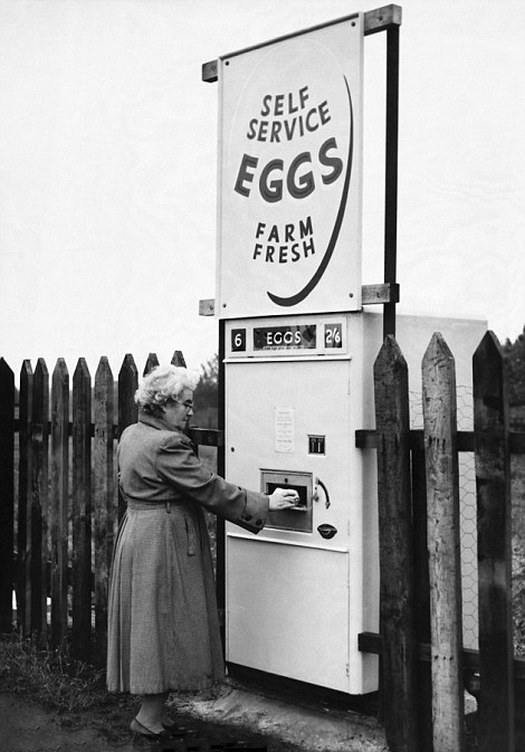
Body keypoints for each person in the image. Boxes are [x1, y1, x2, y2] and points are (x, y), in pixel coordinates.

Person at [106, 364, 298, 741]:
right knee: (165, 625)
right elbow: (209, 489)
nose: (191, 412)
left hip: (138, 532)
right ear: (163, 405)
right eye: (185, 404)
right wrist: (266, 502)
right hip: (163, 540)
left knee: (151, 624)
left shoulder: (132, 434)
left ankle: (154, 713)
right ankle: (148, 718)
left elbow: (122, 481)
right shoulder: (167, 444)